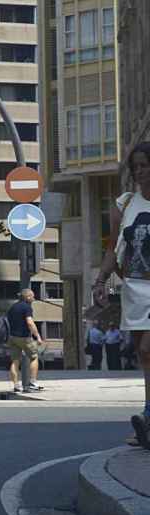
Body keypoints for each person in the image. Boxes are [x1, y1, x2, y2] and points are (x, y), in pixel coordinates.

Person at [94, 141, 150, 449]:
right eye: (136, 167)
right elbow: (112, 249)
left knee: (147, 347)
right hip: (135, 290)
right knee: (144, 355)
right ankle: (149, 417)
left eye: (145, 165)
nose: (140, 172)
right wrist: (100, 279)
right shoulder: (125, 205)